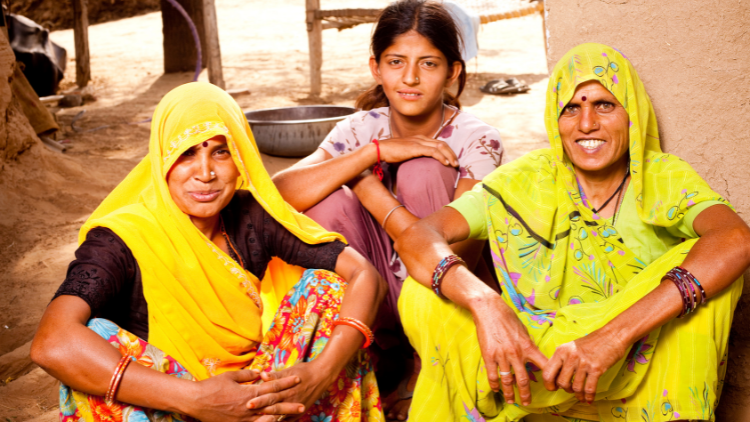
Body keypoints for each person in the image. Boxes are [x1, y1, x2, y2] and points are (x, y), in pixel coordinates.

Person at [394, 43, 750, 421]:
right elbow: (419, 236)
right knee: (424, 288)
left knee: (706, 263)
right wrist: (486, 304)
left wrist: (612, 338)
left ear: (632, 113)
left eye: (604, 105)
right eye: (571, 108)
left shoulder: (661, 177)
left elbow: (736, 239)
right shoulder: (527, 180)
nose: (586, 124)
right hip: (533, 365)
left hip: (636, 366)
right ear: (554, 118)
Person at [30, 82, 387, 422]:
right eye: (185, 153)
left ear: (241, 158)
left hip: (261, 401)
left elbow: (364, 275)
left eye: (221, 152)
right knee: (93, 338)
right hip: (166, 403)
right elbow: (52, 343)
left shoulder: (250, 215)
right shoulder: (122, 238)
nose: (205, 173)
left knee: (327, 288)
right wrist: (196, 400)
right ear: (161, 160)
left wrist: (319, 375)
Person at [272, 1, 502, 418]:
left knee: (421, 170)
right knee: (327, 199)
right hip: (374, 295)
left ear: (452, 72)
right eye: (396, 62)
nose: (410, 78)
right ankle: (371, 357)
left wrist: (365, 183)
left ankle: (420, 365)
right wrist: (372, 153)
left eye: (428, 64)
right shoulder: (362, 128)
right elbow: (279, 194)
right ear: (376, 67)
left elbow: (459, 256)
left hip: (442, 293)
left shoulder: (476, 139)